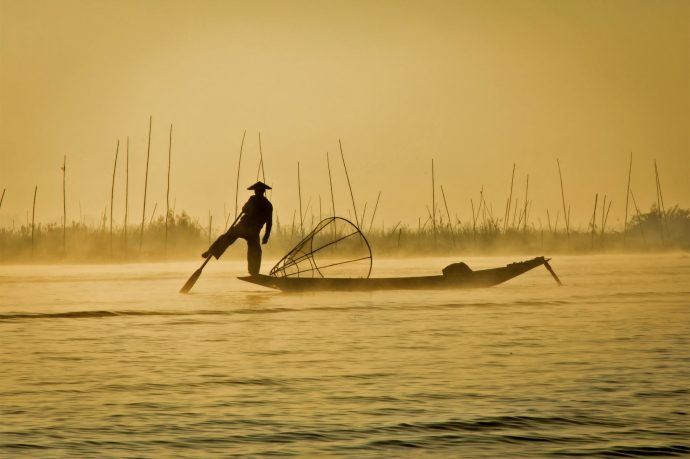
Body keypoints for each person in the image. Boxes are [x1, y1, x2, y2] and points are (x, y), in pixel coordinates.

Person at [202, 181, 273, 275]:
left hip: (248, 228)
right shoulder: (266, 203)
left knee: (228, 238)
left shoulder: (258, 201)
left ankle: (212, 251)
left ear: (261, 191)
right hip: (248, 229)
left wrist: (266, 236)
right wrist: (266, 236)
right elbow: (268, 221)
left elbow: (266, 220)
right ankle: (254, 271)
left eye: (257, 191)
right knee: (250, 247)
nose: (256, 192)